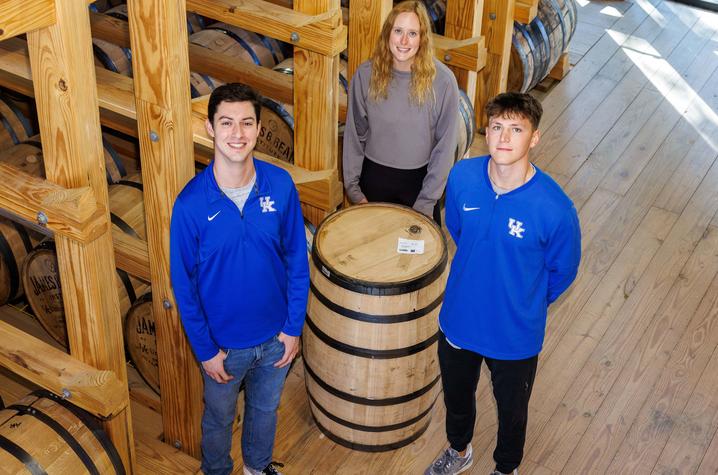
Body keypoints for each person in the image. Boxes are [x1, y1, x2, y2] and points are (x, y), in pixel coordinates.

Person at [424, 92, 581, 475]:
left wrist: (524, 301)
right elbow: (458, 228)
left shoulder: (554, 208)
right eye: (496, 127)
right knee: (458, 399)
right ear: (486, 130)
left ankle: (505, 468)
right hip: (460, 319)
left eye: (516, 129)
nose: (504, 138)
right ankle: (459, 451)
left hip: (515, 333)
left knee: (512, 412)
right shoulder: (462, 177)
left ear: (534, 137)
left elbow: (564, 270)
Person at [170, 83, 309, 475]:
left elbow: (298, 260)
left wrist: (292, 327)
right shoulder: (190, 205)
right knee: (218, 421)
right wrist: (205, 350)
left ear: (259, 129)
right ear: (211, 128)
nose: (237, 133)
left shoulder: (280, 185)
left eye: (247, 123)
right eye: (226, 122)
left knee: (265, 411)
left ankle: (257, 468)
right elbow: (184, 285)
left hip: (275, 340)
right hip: (223, 348)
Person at [342, 0, 459, 224]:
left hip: (418, 186)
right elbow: (355, 135)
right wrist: (354, 190)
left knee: (414, 257)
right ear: (388, 33)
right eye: (398, 31)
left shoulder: (443, 82)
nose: (404, 41)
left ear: (423, 38)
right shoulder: (366, 74)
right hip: (373, 183)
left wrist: (425, 202)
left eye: (413, 33)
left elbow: (444, 149)